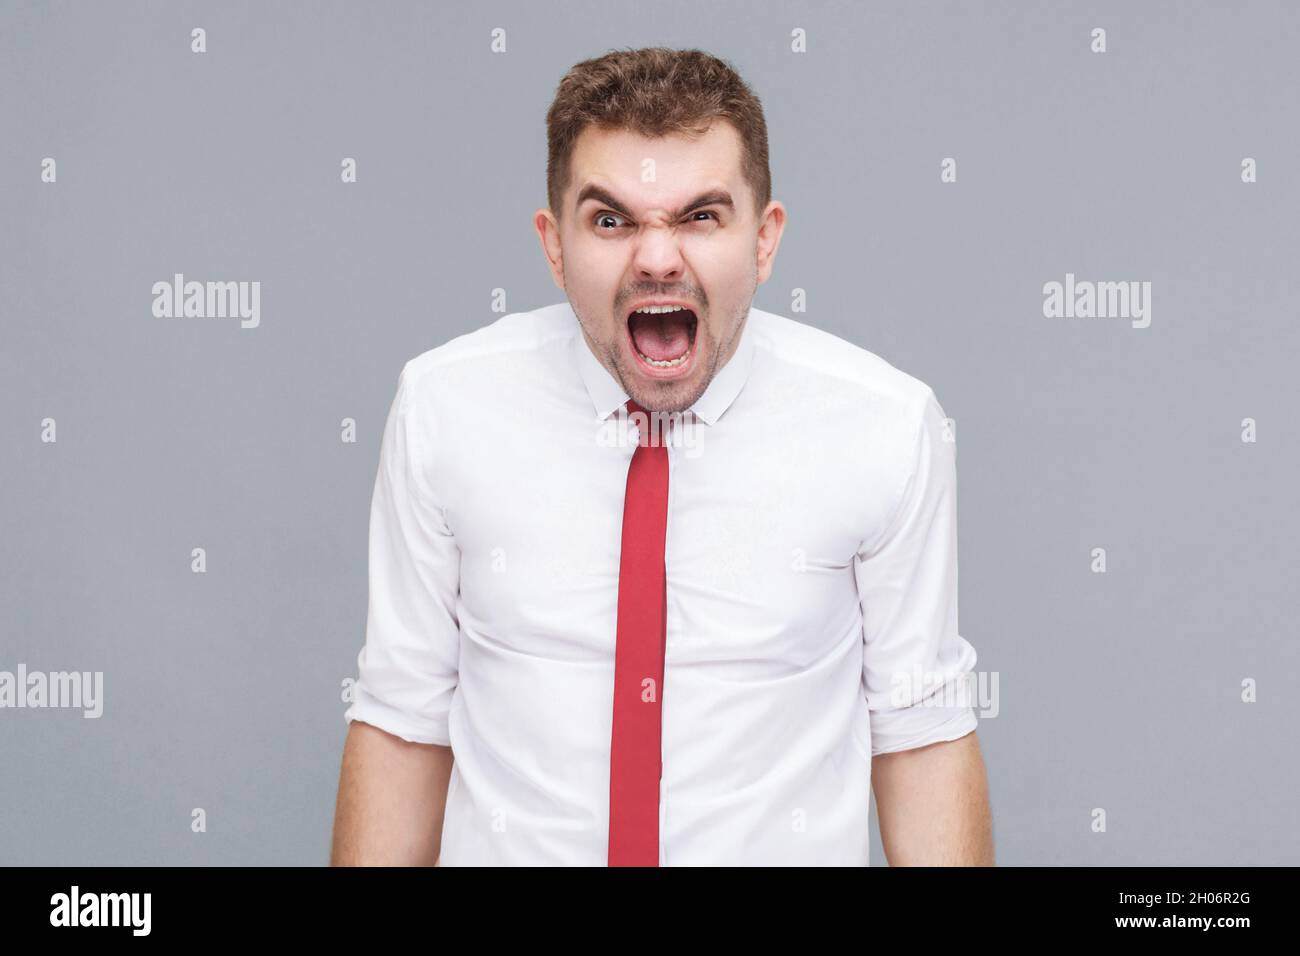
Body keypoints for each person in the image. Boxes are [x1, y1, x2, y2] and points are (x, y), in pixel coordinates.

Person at [330, 46, 993, 866]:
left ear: (764, 238)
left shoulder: (884, 424)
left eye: (700, 216)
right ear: (553, 244)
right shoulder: (445, 406)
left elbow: (920, 735)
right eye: (610, 220)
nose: (654, 258)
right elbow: (402, 722)